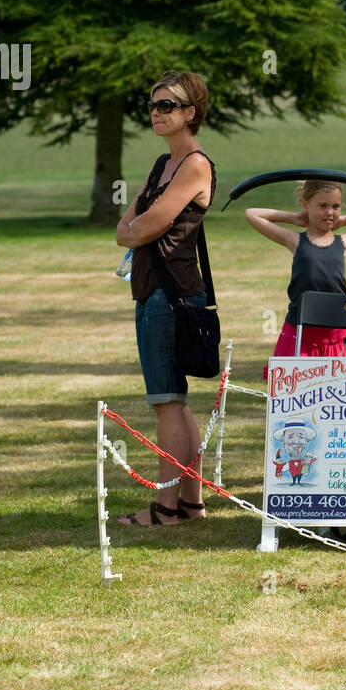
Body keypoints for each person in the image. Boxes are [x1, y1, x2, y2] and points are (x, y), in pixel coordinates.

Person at [116, 70, 216, 527]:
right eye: (153, 106)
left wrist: (137, 229)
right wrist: (135, 229)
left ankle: (165, 510)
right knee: (176, 400)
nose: (156, 113)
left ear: (189, 113)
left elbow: (151, 223)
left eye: (167, 106)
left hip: (171, 295)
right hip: (154, 290)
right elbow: (126, 227)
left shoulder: (195, 163)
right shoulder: (161, 164)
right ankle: (190, 504)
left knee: (167, 402)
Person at [245, 180, 346, 371]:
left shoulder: (344, 242)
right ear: (306, 205)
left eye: (335, 206)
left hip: (335, 332)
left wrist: (345, 220)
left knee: (340, 388)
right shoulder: (295, 240)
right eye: (322, 206)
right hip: (301, 332)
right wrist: (295, 218)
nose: (330, 212)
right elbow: (252, 214)